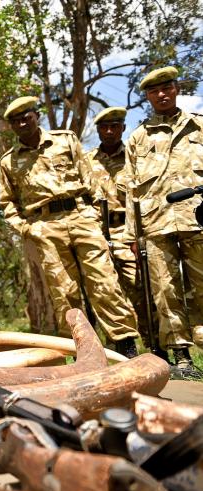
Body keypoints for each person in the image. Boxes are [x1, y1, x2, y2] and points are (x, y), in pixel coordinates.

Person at [0, 96, 140, 354]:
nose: (21, 123)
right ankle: (83, 350)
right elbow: (7, 202)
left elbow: (91, 179)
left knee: (104, 280)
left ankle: (124, 344)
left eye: (26, 117)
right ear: (11, 126)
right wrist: (27, 229)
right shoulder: (8, 161)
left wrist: (94, 216)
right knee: (64, 291)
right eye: (15, 120)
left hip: (81, 216)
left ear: (36, 116)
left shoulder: (65, 140)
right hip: (44, 226)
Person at [124, 66, 203, 373]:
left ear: (176, 88)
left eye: (167, 87)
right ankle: (182, 357)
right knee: (165, 291)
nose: (161, 94)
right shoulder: (138, 138)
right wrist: (133, 235)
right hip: (156, 225)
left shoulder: (198, 127)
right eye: (154, 91)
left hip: (197, 219)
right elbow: (131, 189)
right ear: (147, 97)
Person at [87, 107, 150, 356]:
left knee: (140, 288)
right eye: (104, 127)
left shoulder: (135, 157)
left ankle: (156, 348)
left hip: (130, 230)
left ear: (123, 128)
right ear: (99, 130)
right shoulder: (87, 161)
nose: (110, 131)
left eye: (115, 126)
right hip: (96, 231)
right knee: (104, 291)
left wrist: (138, 235)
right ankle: (121, 349)